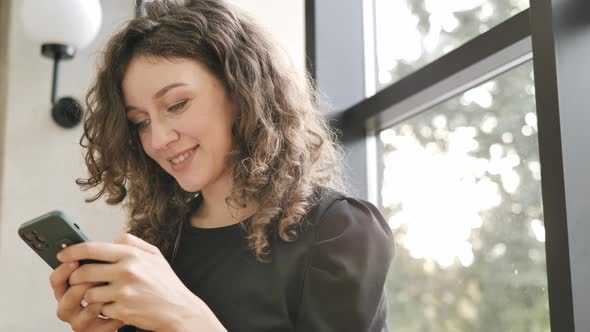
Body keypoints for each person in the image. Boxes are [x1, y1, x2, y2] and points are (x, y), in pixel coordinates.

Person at [48, 0, 395, 331]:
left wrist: (186, 318)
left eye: (176, 104)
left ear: (240, 92)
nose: (157, 140)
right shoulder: (159, 242)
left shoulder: (339, 229)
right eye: (141, 122)